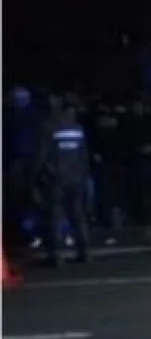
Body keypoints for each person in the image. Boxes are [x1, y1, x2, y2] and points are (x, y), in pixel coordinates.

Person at [33, 101, 92, 266]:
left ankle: (56, 255)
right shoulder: (78, 129)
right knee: (78, 216)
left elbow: (41, 156)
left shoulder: (49, 128)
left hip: (56, 180)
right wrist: (85, 176)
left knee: (55, 217)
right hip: (76, 178)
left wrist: (35, 177)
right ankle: (84, 251)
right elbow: (84, 156)